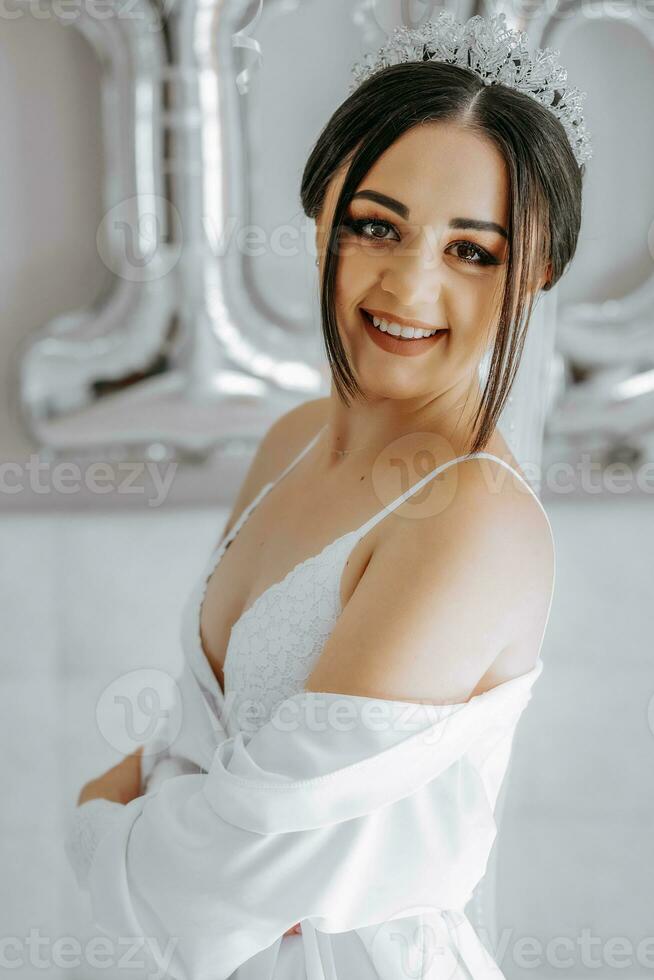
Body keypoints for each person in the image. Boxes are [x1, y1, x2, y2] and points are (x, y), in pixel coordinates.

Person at [65, 11, 591, 979]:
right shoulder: (292, 439)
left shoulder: (471, 515)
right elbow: (200, 743)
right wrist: (163, 799)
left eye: (473, 250)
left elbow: (260, 840)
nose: (409, 286)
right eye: (376, 226)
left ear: (538, 274)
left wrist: (102, 818)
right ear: (319, 216)